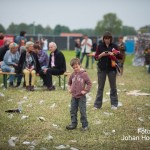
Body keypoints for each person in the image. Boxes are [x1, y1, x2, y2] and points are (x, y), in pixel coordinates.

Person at [94, 31, 122, 110]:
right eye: (105, 38)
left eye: (108, 38)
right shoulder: (100, 46)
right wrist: (101, 54)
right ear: (103, 39)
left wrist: (114, 53)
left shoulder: (114, 46)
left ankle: (114, 104)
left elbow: (120, 56)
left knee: (113, 87)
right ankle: (97, 105)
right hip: (101, 69)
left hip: (112, 69)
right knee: (100, 87)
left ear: (111, 39)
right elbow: (96, 58)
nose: (107, 40)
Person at [66, 58, 92, 131]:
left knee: (82, 110)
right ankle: (73, 124)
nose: (75, 69)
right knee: (73, 110)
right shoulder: (73, 74)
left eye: (76, 67)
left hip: (81, 97)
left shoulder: (84, 74)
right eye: (73, 68)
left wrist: (85, 90)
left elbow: (89, 83)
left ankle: (85, 125)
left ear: (80, 65)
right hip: (74, 96)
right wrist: (69, 89)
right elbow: (69, 83)